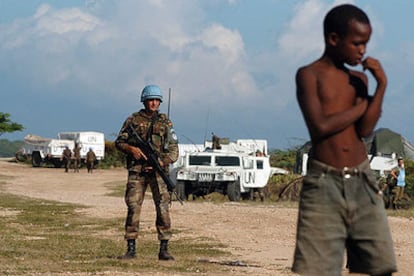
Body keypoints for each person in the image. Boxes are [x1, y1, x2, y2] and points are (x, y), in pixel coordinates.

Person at [292, 4, 397, 276]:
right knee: (318, 269)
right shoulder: (309, 75)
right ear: (334, 39)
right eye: (357, 43)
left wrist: (381, 85)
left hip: (362, 178)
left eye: (366, 44)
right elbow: (320, 126)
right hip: (323, 182)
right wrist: (363, 105)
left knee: (379, 264)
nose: (363, 50)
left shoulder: (359, 79)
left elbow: (365, 130)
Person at [115, 84, 179, 261]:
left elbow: (174, 150)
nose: (153, 103)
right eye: (151, 100)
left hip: (158, 173)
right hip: (137, 171)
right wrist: (131, 149)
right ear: (144, 100)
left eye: (156, 100)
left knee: (163, 208)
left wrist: (161, 161)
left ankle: (164, 248)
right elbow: (119, 142)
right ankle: (131, 248)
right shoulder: (132, 120)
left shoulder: (166, 123)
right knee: (133, 207)